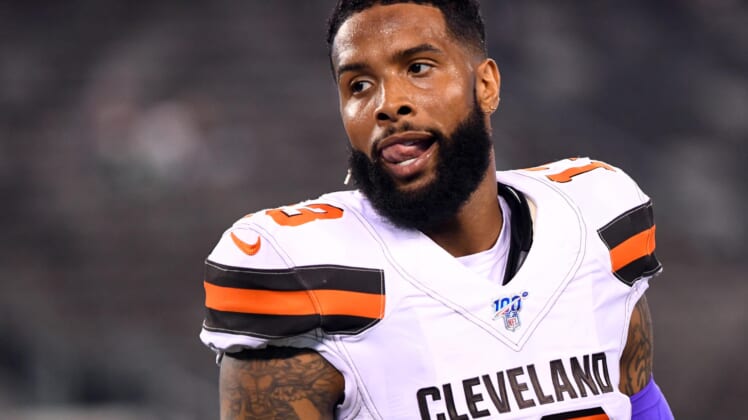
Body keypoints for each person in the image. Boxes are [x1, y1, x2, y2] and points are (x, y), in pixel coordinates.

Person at [200, 1, 674, 418]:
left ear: (485, 84)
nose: (388, 105)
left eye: (419, 68)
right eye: (359, 85)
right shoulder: (303, 272)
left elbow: (640, 403)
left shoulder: (593, 219)